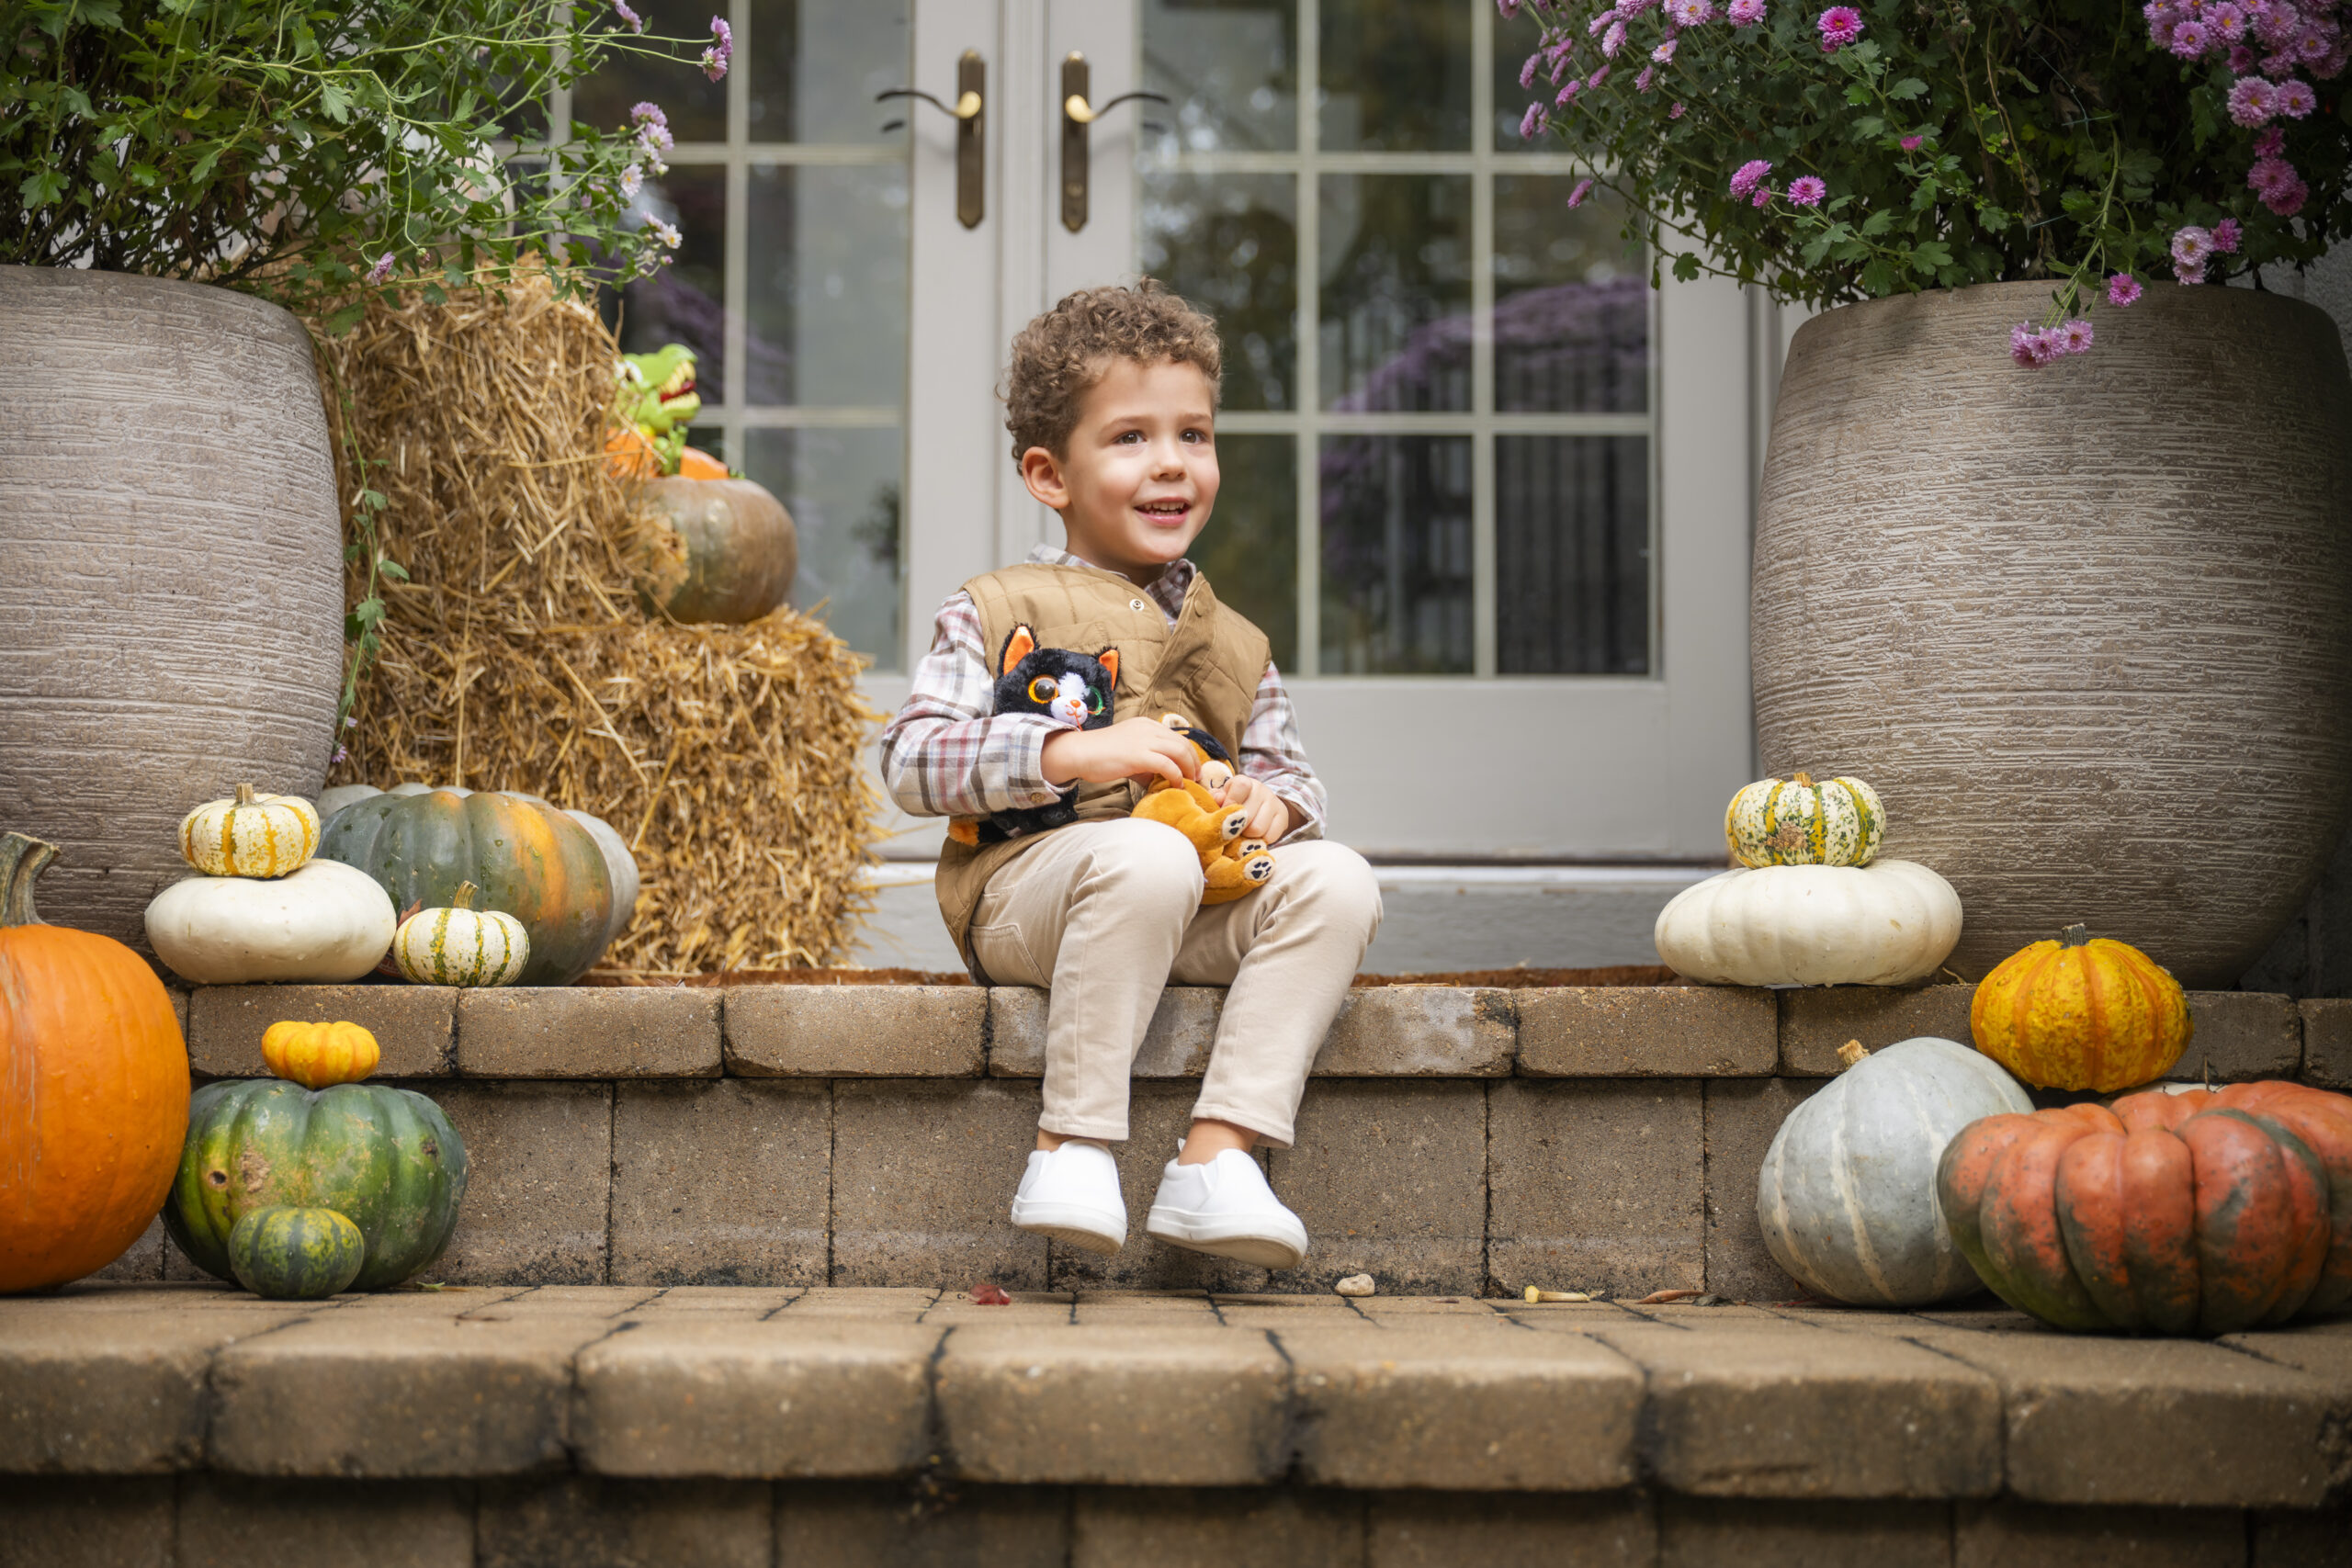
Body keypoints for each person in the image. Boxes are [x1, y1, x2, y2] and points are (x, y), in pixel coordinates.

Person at [879, 281, 1383, 1269]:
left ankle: (1218, 1158)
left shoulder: (1236, 642)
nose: (1171, 464)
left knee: (1338, 880)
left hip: (1180, 895)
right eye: (1129, 439)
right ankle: (1070, 1145)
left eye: (1192, 435)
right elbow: (910, 759)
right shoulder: (993, 604)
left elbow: (1296, 781)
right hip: (1028, 900)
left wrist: (1264, 803)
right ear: (1048, 473)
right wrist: (1064, 751)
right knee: (1148, 858)